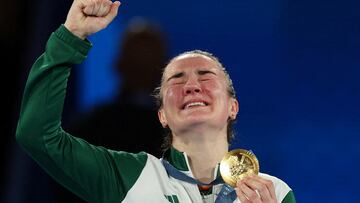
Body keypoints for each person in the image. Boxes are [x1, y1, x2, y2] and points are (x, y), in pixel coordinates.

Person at [16, 0, 296, 202]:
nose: (192, 86)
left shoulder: (274, 193)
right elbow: (38, 136)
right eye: (176, 79)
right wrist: (71, 36)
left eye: (205, 75)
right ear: (162, 114)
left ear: (233, 106)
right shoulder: (128, 176)